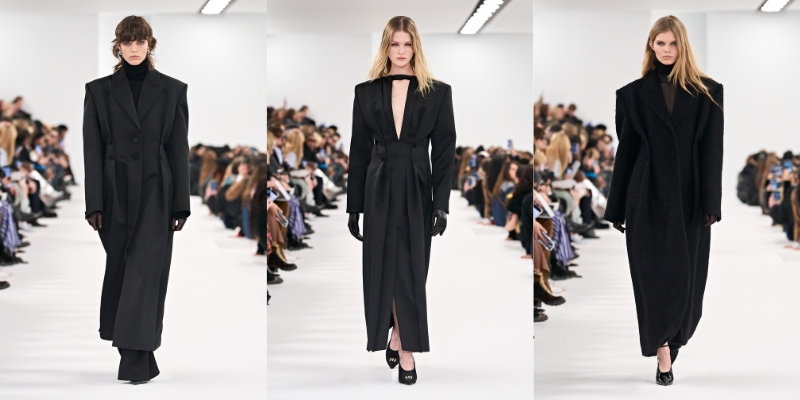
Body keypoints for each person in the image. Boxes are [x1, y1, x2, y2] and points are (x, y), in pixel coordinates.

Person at [603, 15, 723, 386]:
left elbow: (712, 150)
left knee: (688, 280)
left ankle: (673, 338)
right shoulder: (631, 94)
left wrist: (711, 203)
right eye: (660, 43)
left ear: (682, 45)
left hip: (689, 196)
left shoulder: (708, 92)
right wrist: (617, 206)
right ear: (651, 46)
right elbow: (626, 151)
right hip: (646, 193)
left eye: (672, 43)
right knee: (652, 276)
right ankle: (663, 354)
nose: (667, 50)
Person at [346, 15, 456, 386]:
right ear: (386, 47)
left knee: (409, 269)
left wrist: (441, 202)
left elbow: (444, 151)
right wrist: (354, 206)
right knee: (382, 267)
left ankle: (401, 338)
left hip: (416, 188)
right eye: (394, 44)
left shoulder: (437, 92)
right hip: (377, 187)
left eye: (407, 44)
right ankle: (404, 345)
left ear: (416, 47)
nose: (401, 51)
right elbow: (358, 152)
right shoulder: (365, 92)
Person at [82, 15, 191, 385]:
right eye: (127, 42)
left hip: (157, 191)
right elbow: (92, 150)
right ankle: (138, 351)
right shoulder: (98, 91)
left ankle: (134, 361)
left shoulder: (173, 90)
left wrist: (181, 203)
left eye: (140, 41)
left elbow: (178, 149)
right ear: (118, 46)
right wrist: (94, 203)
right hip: (114, 194)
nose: (133, 48)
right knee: (123, 271)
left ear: (149, 44)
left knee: (146, 272)